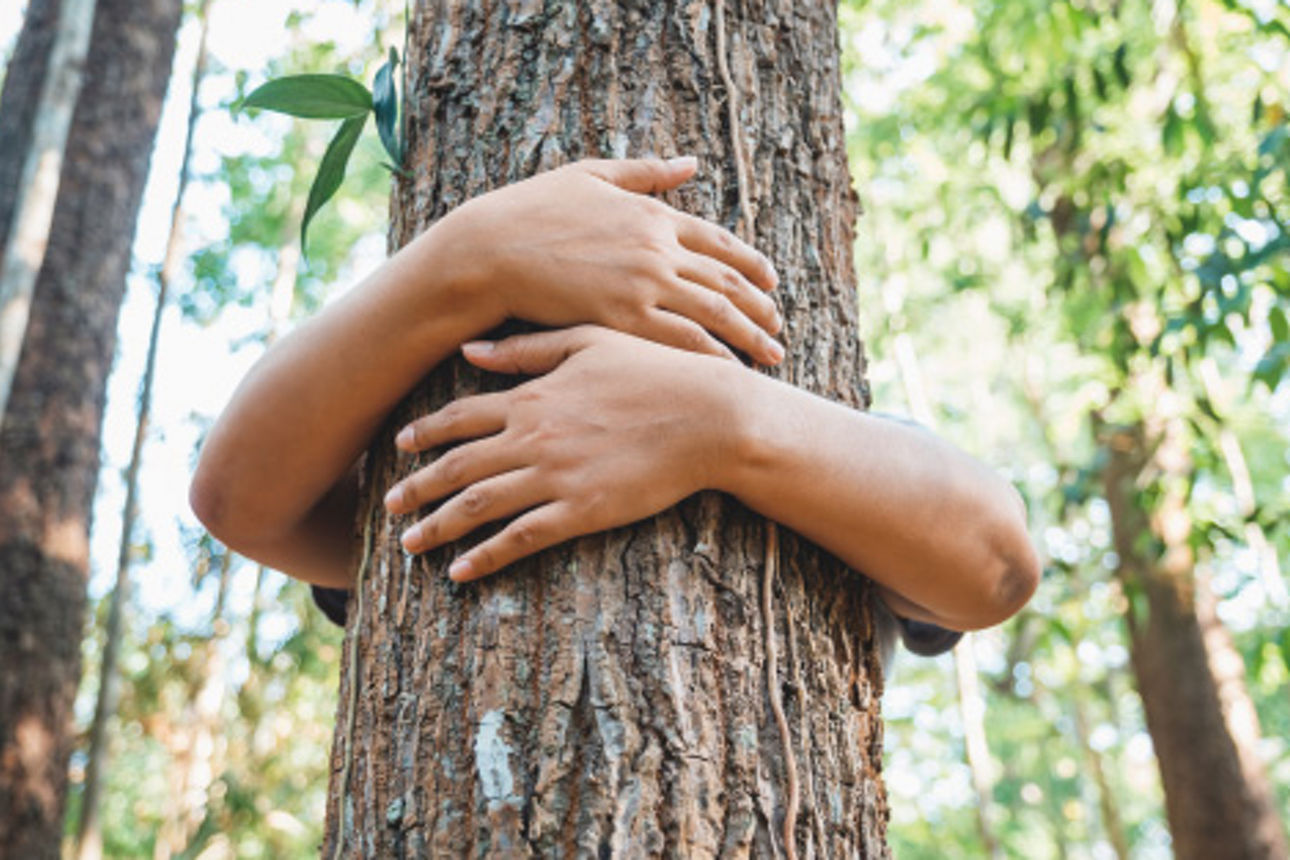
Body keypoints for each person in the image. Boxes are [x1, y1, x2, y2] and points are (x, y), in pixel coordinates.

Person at [189, 156, 1039, 656]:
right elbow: (237, 499)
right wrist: (474, 257)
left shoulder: (854, 464)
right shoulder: (412, 448)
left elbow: (996, 566)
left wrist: (718, 418)